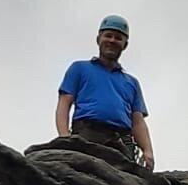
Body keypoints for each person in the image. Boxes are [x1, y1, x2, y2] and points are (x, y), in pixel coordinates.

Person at [56, 15, 154, 169]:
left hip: (122, 142)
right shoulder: (79, 68)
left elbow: (137, 121)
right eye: (108, 35)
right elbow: (64, 103)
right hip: (88, 134)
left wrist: (147, 151)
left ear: (125, 45)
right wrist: (64, 137)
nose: (112, 41)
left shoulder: (131, 82)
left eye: (118, 38)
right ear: (98, 39)